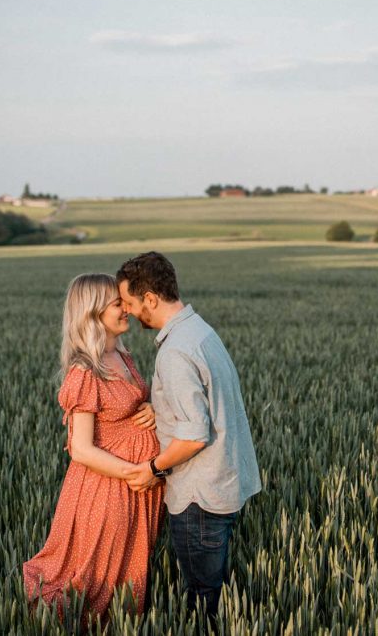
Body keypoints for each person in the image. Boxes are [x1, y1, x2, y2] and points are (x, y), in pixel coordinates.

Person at [116, 252, 262, 620]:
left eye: (131, 303)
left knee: (202, 600)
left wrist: (153, 467)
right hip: (222, 483)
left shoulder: (175, 352)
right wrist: (162, 409)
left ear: (150, 298)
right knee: (211, 589)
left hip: (199, 495)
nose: (129, 312)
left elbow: (195, 435)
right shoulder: (199, 331)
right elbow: (206, 404)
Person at [22, 273, 164, 622]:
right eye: (117, 304)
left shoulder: (121, 356)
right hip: (107, 490)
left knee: (126, 573)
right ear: (93, 312)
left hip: (137, 488)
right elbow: (81, 448)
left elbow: (130, 410)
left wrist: (156, 408)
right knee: (97, 578)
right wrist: (138, 472)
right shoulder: (85, 371)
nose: (126, 309)